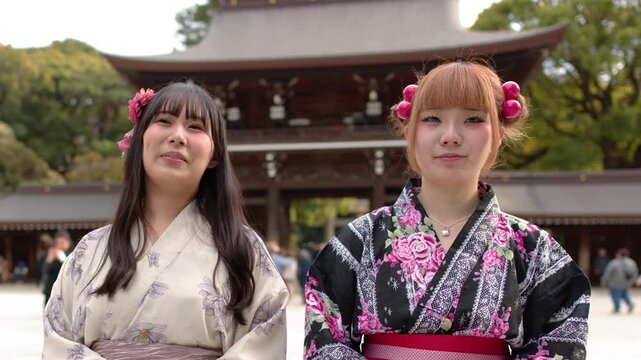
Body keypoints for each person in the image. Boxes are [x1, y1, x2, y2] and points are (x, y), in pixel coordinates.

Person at [303, 61, 591, 359]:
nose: (450, 135)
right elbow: (325, 340)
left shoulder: (533, 248)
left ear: (499, 135)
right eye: (432, 119)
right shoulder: (360, 240)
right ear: (410, 133)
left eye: (472, 119)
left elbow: (559, 341)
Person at [43, 82, 289, 359]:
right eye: (164, 121)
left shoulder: (242, 250)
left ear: (215, 154)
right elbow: (57, 342)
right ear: (140, 139)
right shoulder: (91, 250)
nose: (178, 136)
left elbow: (263, 343)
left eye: (195, 127)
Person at [602, 247, 638, 314]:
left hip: (615, 283)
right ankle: (630, 304)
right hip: (627, 283)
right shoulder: (632, 262)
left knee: (615, 295)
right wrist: (634, 281)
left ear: (619, 254)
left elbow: (608, 272)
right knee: (624, 294)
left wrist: (604, 280)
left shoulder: (614, 262)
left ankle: (617, 308)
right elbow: (635, 272)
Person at [42, 230, 72, 305]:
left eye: (62, 243)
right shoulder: (50, 253)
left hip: (66, 289)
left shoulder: (72, 254)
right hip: (51, 288)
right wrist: (49, 260)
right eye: (58, 243)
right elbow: (44, 271)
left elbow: (69, 270)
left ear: (69, 242)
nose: (60, 245)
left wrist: (61, 257)